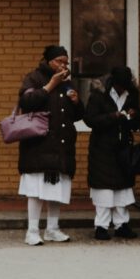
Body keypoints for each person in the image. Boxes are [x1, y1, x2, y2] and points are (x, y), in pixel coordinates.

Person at [16, 45, 81, 245]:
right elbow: (26, 102)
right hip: (39, 145)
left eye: (66, 62)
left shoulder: (67, 82)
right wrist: (49, 86)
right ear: (49, 61)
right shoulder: (34, 78)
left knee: (56, 189)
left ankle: (52, 228)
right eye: (59, 61)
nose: (63, 65)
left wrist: (77, 101)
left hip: (60, 144)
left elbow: (78, 115)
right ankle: (32, 230)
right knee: (36, 190)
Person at [83, 65, 140, 239]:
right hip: (102, 148)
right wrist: (113, 116)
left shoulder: (132, 94)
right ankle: (101, 226)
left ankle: (121, 224)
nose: (123, 89)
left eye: (125, 86)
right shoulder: (99, 94)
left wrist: (133, 116)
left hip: (123, 147)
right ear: (113, 83)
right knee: (104, 189)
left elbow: (138, 121)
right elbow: (89, 119)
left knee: (122, 189)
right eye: (120, 86)